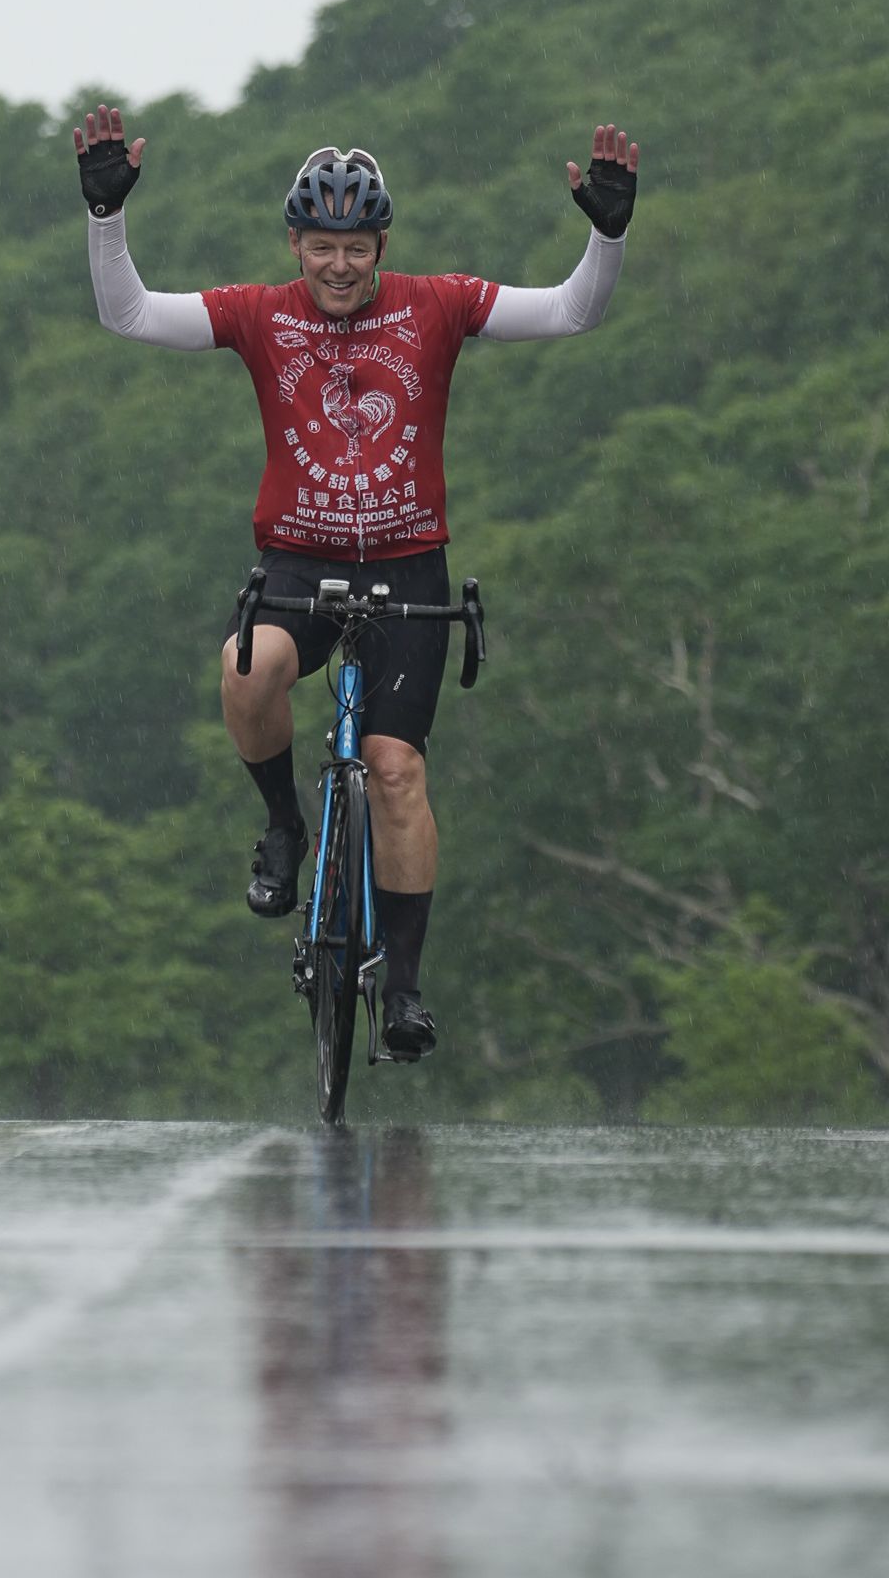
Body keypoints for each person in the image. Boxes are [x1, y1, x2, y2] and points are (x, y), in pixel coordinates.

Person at [74, 105, 639, 1063]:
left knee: (396, 769)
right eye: (323, 246)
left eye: (357, 248)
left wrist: (608, 233)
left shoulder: (439, 305)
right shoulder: (262, 313)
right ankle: (286, 829)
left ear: (383, 246)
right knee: (246, 672)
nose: (339, 266)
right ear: (295, 243)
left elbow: (573, 309)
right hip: (298, 563)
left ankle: (407, 988)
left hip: (409, 565)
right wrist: (105, 219)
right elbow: (127, 313)